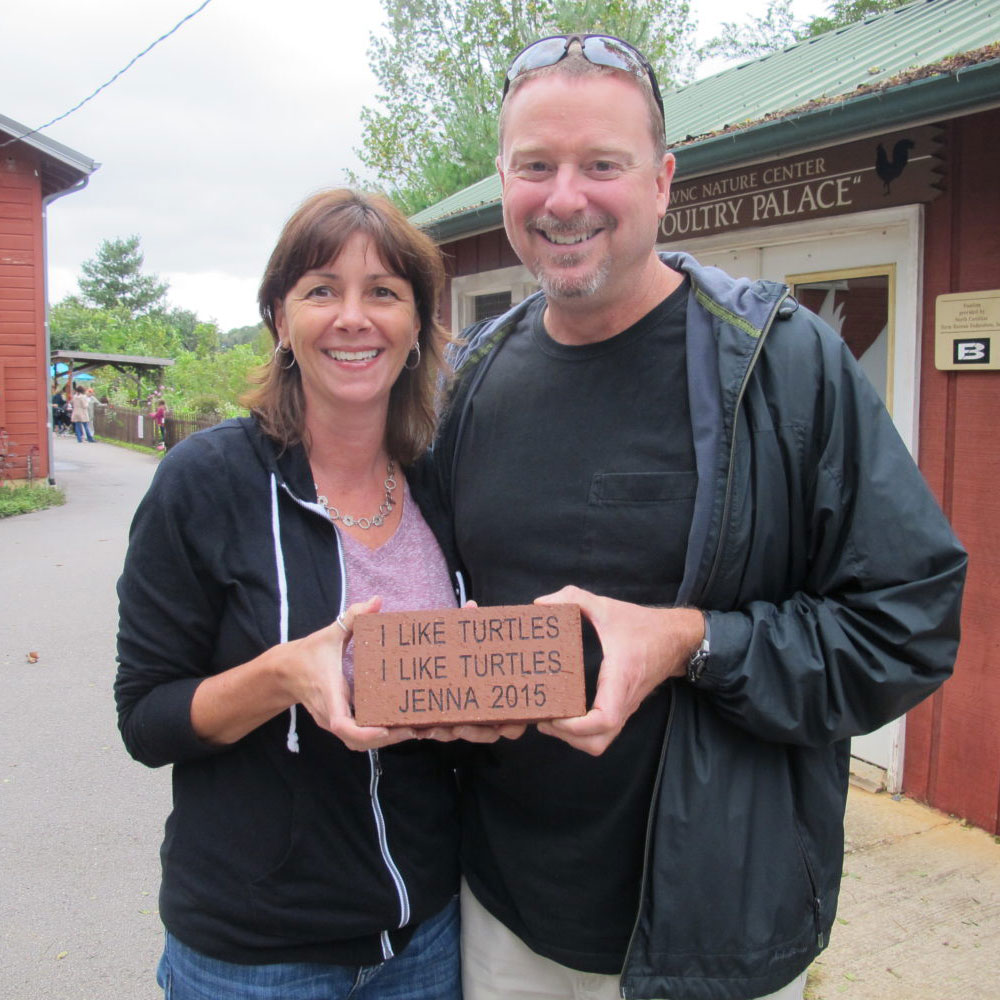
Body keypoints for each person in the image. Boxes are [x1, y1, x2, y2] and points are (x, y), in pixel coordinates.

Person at [420, 34, 968, 1000]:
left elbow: (908, 624)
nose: (565, 198)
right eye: (535, 166)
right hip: (502, 915)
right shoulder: (470, 378)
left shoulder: (782, 364)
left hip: (716, 928)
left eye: (603, 164)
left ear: (664, 181)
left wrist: (691, 641)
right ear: (502, 179)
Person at [115, 189, 505, 1000]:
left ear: (418, 326)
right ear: (280, 317)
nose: (353, 317)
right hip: (255, 958)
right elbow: (146, 719)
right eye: (322, 289)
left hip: (425, 933)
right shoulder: (206, 483)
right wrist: (283, 677)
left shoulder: (440, 480)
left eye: (384, 293)